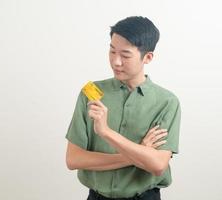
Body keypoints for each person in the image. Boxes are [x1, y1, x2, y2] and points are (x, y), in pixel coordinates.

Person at [65, 16, 181, 200]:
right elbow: (74, 160)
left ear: (148, 57)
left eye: (125, 55)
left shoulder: (166, 102)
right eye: (112, 51)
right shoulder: (91, 93)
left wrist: (105, 132)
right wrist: (139, 153)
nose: (116, 61)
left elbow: (158, 165)